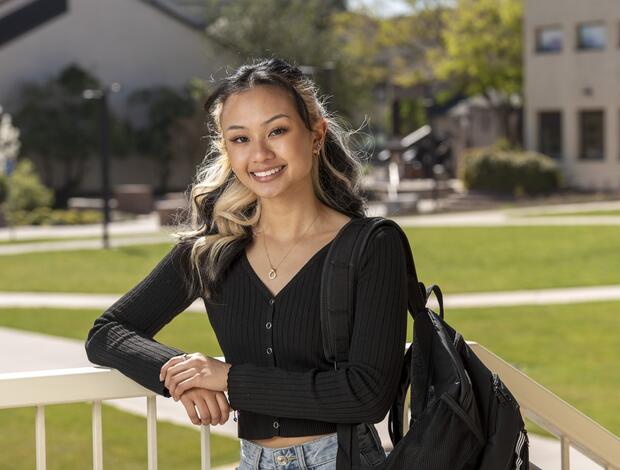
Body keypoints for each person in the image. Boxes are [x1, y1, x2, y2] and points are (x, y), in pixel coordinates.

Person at [85, 58, 408, 470]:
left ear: (315, 135)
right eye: (240, 139)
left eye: (277, 131)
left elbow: (366, 393)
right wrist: (180, 376)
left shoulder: (371, 245)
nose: (260, 154)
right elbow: (106, 334)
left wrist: (228, 379)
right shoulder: (213, 250)